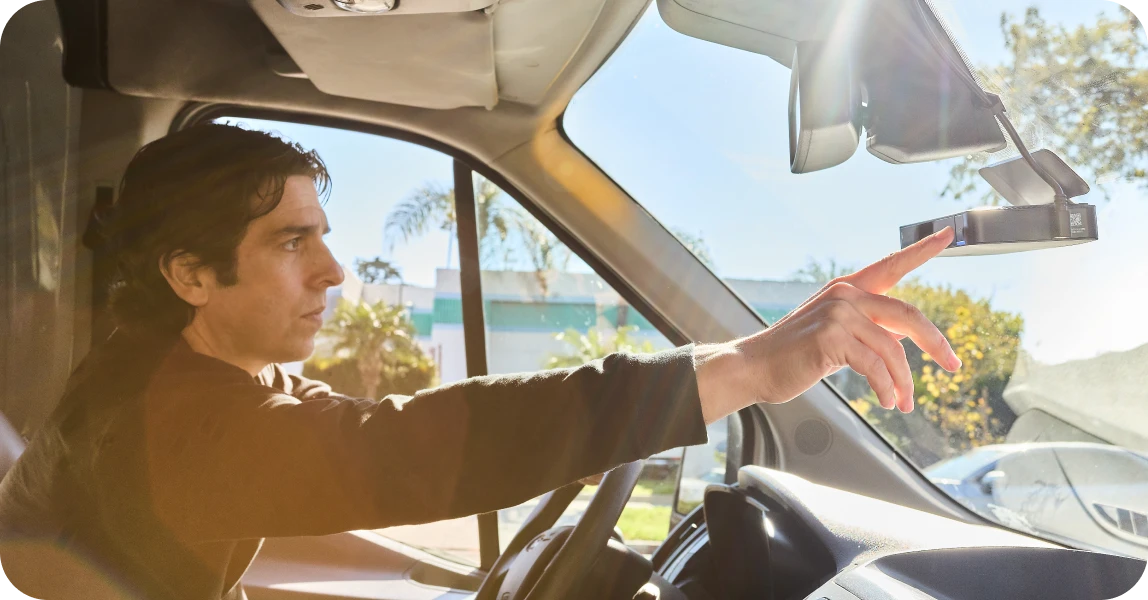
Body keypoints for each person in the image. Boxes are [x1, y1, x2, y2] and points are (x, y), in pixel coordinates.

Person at [0, 124, 961, 600]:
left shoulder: (186, 372)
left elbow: (327, 465)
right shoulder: (177, 423)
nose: (333, 270)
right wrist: (748, 367)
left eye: (322, 235)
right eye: (292, 243)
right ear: (189, 275)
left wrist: (445, 579)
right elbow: (403, 448)